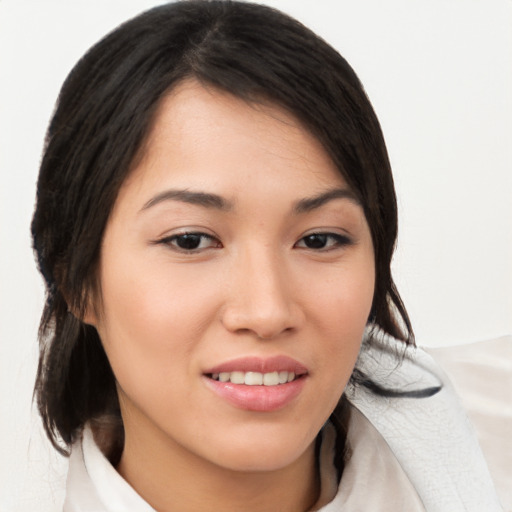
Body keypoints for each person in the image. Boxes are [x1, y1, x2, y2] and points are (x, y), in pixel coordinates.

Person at [30, 1, 502, 511]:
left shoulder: (492, 447)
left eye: (319, 240)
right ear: (76, 276)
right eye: (191, 240)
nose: (267, 311)